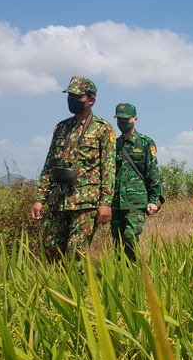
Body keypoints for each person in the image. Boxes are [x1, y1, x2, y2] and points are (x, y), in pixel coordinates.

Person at [31, 76, 116, 265]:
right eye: (69, 96)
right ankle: (61, 286)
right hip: (58, 199)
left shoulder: (103, 129)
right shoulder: (61, 128)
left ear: (91, 99)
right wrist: (40, 198)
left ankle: (81, 291)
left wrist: (106, 203)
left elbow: (108, 169)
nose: (71, 100)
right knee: (50, 245)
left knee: (76, 251)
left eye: (77, 97)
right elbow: (49, 164)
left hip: (86, 201)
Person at [111, 103, 162, 262]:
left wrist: (153, 200)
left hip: (136, 200)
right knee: (118, 240)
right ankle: (122, 275)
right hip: (116, 201)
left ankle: (139, 269)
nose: (122, 122)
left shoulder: (145, 142)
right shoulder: (114, 144)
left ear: (135, 119)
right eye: (119, 119)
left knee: (130, 236)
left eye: (126, 119)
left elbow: (152, 171)